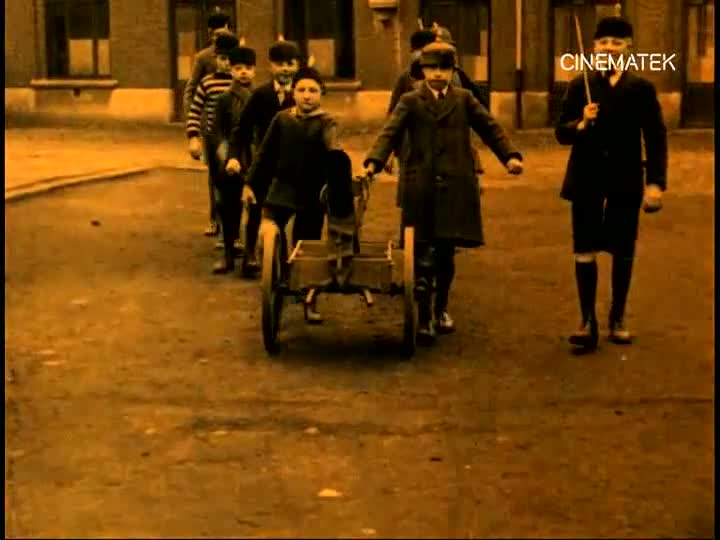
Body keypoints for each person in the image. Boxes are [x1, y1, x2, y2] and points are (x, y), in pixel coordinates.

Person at [362, 40, 524, 345]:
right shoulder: (410, 100)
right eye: (431, 68)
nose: (437, 74)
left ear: (453, 71)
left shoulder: (464, 99)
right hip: (420, 185)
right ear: (422, 70)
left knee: (446, 255)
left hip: (455, 185)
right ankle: (424, 317)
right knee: (421, 254)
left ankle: (441, 308)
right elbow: (390, 132)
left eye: (444, 69)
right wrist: (374, 161)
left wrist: (510, 156)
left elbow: (489, 127)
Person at [555, 15, 667, 353]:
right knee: (584, 247)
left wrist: (655, 183)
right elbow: (561, 132)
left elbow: (656, 138)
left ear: (628, 48)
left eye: (616, 43)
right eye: (603, 42)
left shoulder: (641, 89)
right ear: (594, 47)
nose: (609, 48)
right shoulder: (580, 85)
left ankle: (617, 317)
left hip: (625, 178)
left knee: (623, 247)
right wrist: (581, 123)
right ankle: (586, 320)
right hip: (586, 178)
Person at [238, 65, 340, 323]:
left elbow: (333, 150)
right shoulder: (282, 119)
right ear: (293, 93)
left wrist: (336, 175)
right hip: (282, 187)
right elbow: (264, 154)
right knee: (270, 228)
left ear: (321, 94)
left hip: (311, 192)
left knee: (307, 246)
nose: (307, 96)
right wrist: (250, 184)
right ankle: (277, 272)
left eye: (313, 91)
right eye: (302, 90)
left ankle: (309, 299)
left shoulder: (326, 122)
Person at [225, 38, 301, 277]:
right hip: (265, 162)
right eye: (280, 64)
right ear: (270, 66)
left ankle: (295, 261)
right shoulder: (260, 95)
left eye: (290, 63)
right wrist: (233, 157)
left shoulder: (303, 94)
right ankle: (250, 255)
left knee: (295, 212)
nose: (285, 69)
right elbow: (241, 130)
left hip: (295, 165)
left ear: (297, 66)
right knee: (256, 207)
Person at [186, 31, 238, 254]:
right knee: (218, 186)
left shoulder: (241, 84)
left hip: (236, 141)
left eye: (231, 59)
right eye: (222, 58)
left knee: (236, 187)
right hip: (213, 139)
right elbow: (195, 111)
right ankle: (220, 228)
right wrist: (193, 137)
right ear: (215, 58)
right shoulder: (207, 83)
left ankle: (234, 234)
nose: (226, 64)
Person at [211, 43, 256, 274]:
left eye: (248, 68)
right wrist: (227, 158)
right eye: (238, 68)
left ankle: (250, 255)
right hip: (231, 158)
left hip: (255, 157)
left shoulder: (261, 96)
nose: (243, 72)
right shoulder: (224, 99)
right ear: (231, 71)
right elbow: (217, 132)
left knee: (255, 206)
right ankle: (227, 253)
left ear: (255, 70)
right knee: (228, 206)